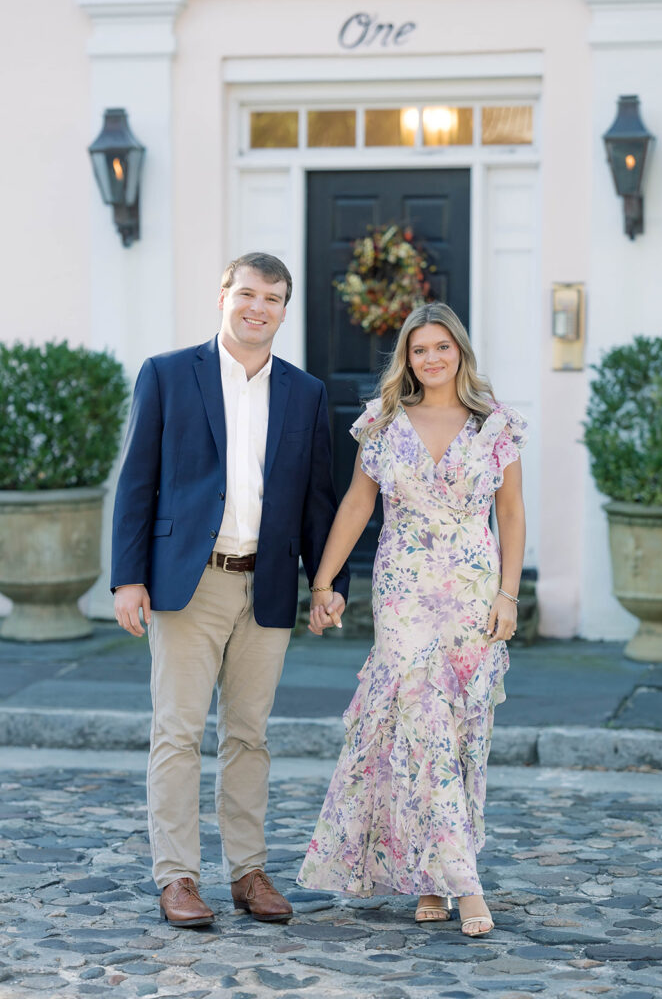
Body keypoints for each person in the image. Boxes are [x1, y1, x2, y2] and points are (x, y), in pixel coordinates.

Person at [111, 252, 348, 928]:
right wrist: (128, 578)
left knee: (249, 737)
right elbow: (137, 482)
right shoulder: (166, 374)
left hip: (266, 586)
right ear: (223, 298)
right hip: (188, 583)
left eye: (272, 298)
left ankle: (247, 873)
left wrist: (326, 582)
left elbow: (317, 501)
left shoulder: (305, 392)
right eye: (246, 293)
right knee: (178, 734)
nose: (257, 308)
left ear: (283, 309)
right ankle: (178, 878)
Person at [298, 302, 527, 935]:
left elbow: (511, 513)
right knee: (419, 727)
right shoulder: (384, 423)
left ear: (460, 353)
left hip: (473, 597)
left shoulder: (496, 425)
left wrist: (508, 594)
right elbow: (356, 505)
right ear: (407, 357)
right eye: (419, 349)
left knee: (461, 737)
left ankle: (429, 880)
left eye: (442, 348)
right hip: (404, 597)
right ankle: (463, 885)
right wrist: (322, 581)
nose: (431, 359)